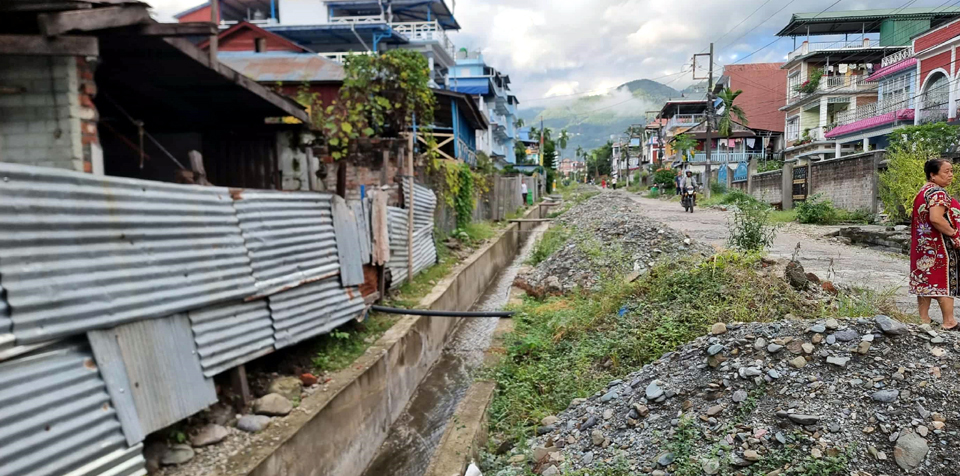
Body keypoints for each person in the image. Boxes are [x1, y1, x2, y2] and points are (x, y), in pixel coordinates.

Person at [910, 158, 960, 330]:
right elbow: (936, 218)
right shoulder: (938, 193)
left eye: (951, 171)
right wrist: (954, 234)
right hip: (940, 246)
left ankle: (924, 320)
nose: (951, 175)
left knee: (925, 281)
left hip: (923, 246)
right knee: (944, 281)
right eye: (946, 172)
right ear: (933, 174)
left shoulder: (923, 192)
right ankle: (949, 321)